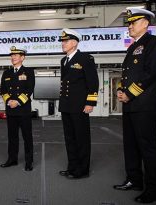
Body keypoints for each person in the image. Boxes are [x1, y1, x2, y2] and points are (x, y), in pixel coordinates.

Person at [113, 8, 156, 204]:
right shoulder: (132, 47)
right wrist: (120, 89)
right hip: (130, 105)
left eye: (133, 22)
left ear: (145, 23)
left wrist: (129, 93)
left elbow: (150, 74)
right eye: (128, 23)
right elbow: (127, 75)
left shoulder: (153, 43)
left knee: (148, 147)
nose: (129, 26)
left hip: (144, 105)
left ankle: (152, 190)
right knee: (131, 146)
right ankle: (134, 180)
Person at [57, 28, 99, 179]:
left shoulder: (85, 59)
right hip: (66, 105)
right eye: (62, 41)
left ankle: (82, 170)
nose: (63, 44)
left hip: (80, 105)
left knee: (81, 139)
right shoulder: (64, 60)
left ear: (74, 43)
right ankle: (72, 167)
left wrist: (90, 102)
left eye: (66, 41)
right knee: (70, 138)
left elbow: (93, 82)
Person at [0, 46, 35, 171]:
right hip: (11, 110)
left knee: (27, 137)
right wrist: (9, 101)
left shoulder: (29, 72)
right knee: (12, 136)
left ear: (22, 57)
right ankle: (12, 159)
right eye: (11, 55)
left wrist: (18, 102)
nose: (13, 57)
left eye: (15, 55)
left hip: (23, 110)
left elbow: (29, 90)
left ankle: (29, 161)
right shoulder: (6, 73)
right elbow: (3, 91)